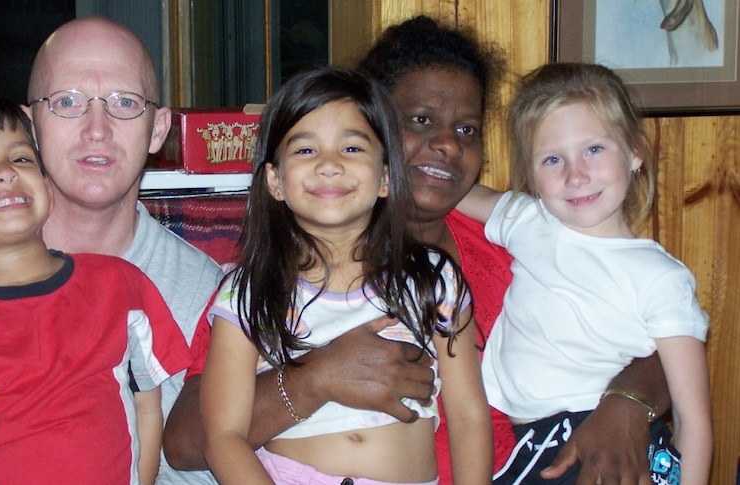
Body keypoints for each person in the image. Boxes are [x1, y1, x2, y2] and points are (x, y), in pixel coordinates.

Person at [165, 15, 674, 485]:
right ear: (379, 133)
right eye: (421, 121)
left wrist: (627, 404)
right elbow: (188, 441)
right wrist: (313, 380)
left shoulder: (511, 253)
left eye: (467, 129)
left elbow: (660, 331)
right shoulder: (269, 277)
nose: (449, 145)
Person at [0, 17, 223, 484]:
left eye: (124, 102)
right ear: (32, 126)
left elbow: (199, 461)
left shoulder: (200, 286)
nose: (96, 129)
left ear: (158, 129)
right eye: (67, 103)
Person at [201, 66, 491, 485]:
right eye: (305, 151)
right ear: (275, 181)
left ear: (387, 177)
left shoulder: (433, 278)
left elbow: (468, 416)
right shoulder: (248, 292)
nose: (330, 165)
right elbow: (224, 437)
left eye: (352, 149)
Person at [456, 62, 712, 484]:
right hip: (531, 442)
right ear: (531, 175)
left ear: (634, 153)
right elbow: (449, 187)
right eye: (553, 159)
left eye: (594, 149)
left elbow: (693, 418)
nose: (576, 175)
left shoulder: (662, 278)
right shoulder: (527, 221)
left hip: (613, 442)